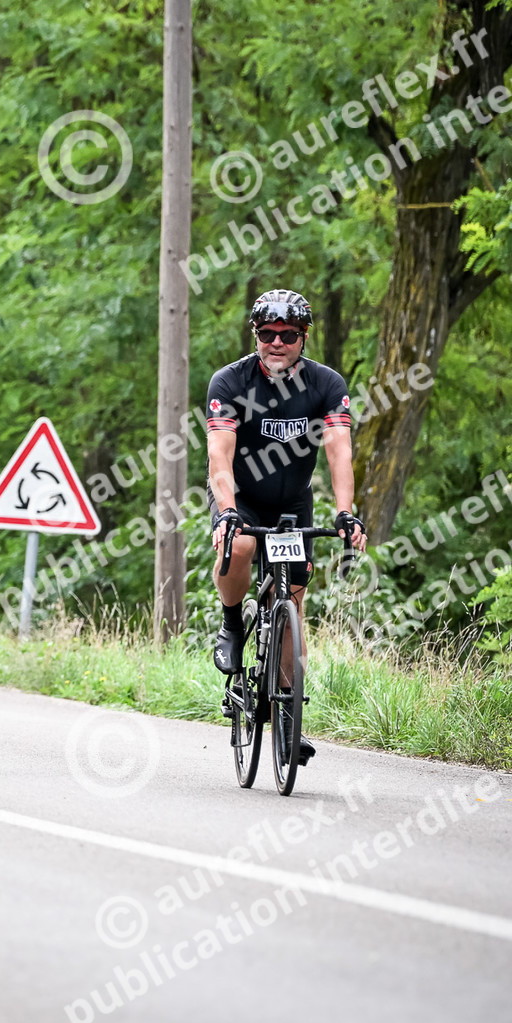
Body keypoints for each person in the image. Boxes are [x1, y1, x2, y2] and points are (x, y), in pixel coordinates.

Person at [206, 289, 368, 765]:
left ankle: (288, 721)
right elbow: (219, 456)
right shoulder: (230, 381)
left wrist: (345, 512)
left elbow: (339, 449)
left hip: (292, 503)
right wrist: (227, 512)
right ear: (255, 334)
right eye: (267, 333)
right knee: (237, 548)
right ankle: (232, 623)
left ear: (304, 336)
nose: (277, 342)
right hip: (238, 495)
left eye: (289, 334)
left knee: (291, 601)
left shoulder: (326, 383)